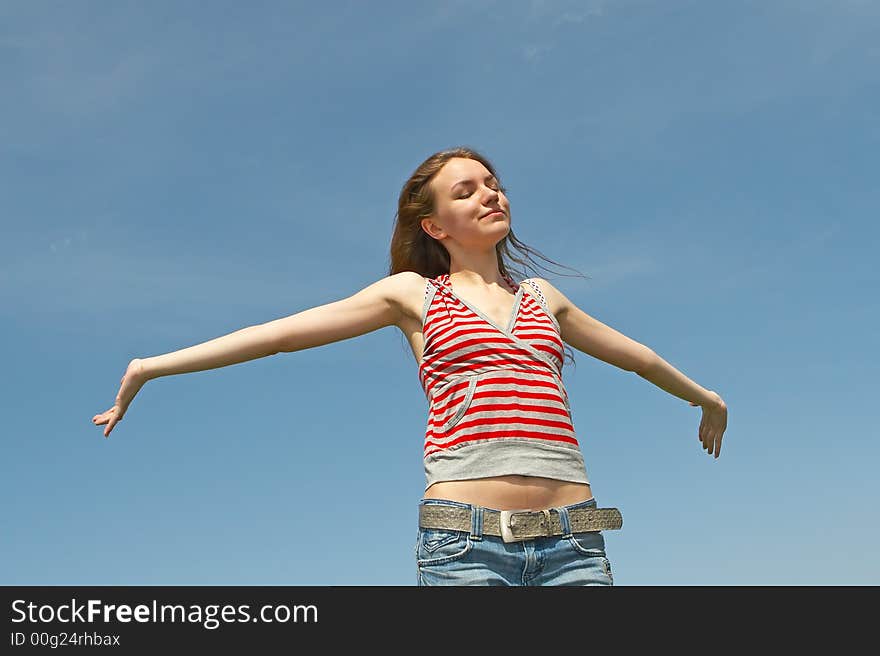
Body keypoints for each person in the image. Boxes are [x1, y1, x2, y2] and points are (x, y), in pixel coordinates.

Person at [92, 146, 728, 586]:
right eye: (467, 190)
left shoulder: (542, 299)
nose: (490, 193)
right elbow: (278, 336)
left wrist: (705, 397)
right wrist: (150, 366)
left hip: (575, 541)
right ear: (435, 225)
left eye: (493, 184)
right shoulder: (413, 295)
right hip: (466, 544)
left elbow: (637, 357)